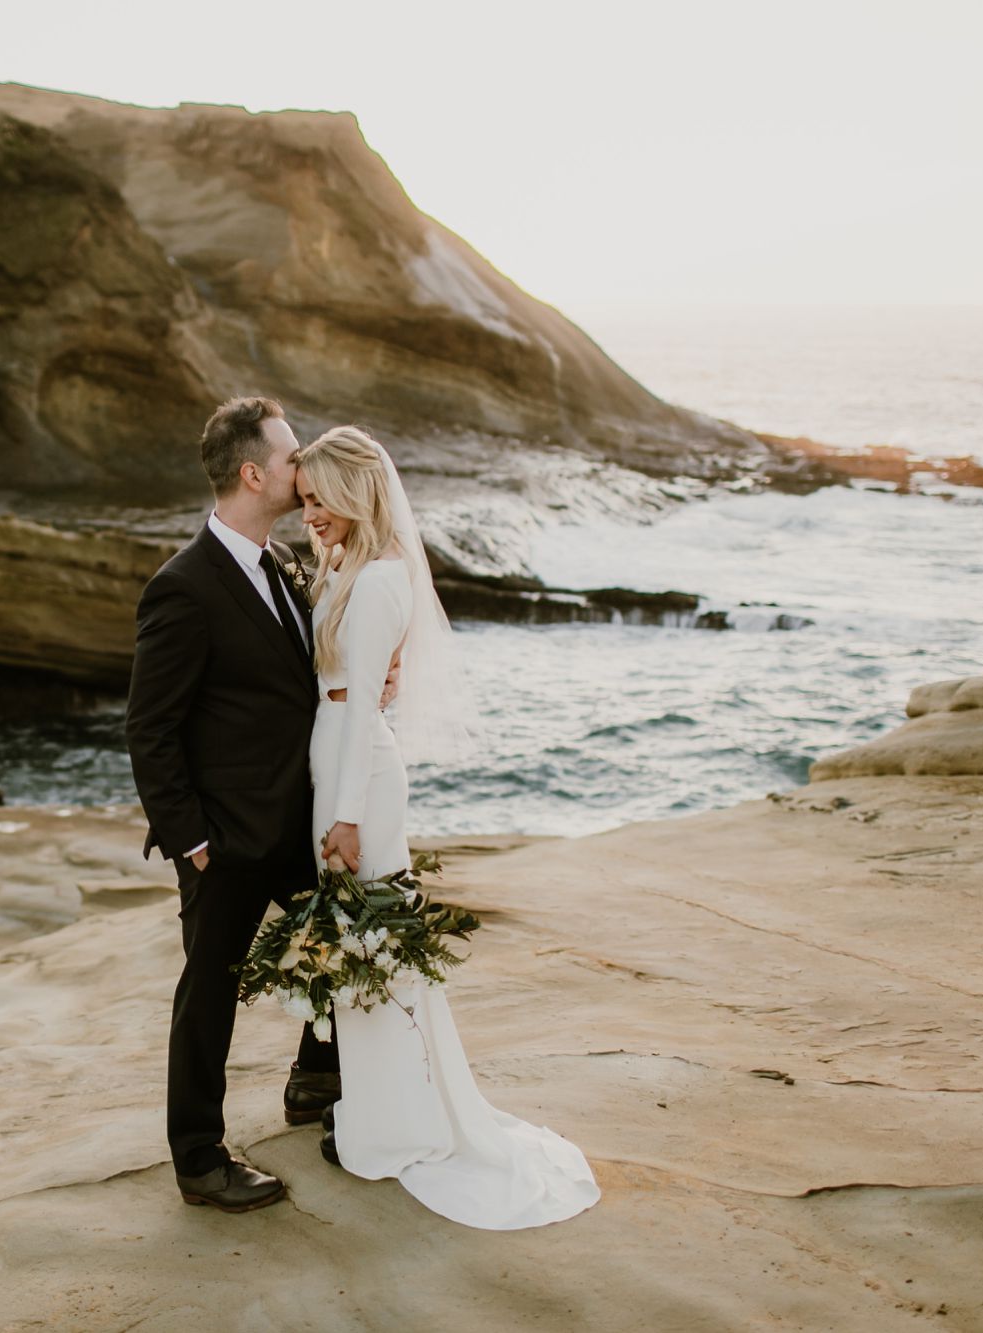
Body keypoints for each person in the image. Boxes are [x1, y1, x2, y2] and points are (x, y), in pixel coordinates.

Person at [296, 425, 601, 1230]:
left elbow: (361, 705)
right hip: (339, 763)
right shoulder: (352, 567)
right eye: (301, 501)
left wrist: (347, 816)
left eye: (320, 497)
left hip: (357, 779)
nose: (310, 514)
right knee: (363, 947)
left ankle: (399, 1123)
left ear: (357, 490)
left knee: (378, 949)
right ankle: (381, 1108)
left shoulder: (378, 580)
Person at [124, 396, 345, 1213]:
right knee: (209, 994)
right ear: (253, 472)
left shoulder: (281, 563)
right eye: (292, 458)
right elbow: (150, 729)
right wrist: (191, 839)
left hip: (297, 825)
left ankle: (315, 1079)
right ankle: (199, 1160)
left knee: (340, 943)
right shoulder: (181, 587)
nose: (303, 468)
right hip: (224, 838)